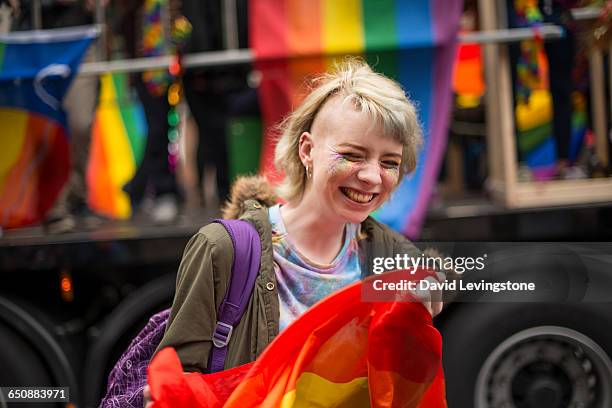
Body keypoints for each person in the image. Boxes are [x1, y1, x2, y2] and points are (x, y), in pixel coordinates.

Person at [144, 59, 444, 405]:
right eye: (352, 155)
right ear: (307, 151)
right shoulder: (223, 250)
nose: (373, 177)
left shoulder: (395, 261)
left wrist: (428, 292)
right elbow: (177, 381)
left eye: (389, 162)